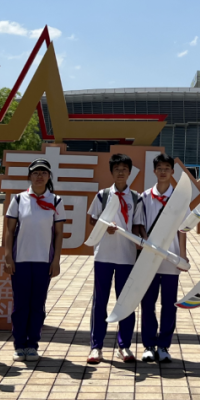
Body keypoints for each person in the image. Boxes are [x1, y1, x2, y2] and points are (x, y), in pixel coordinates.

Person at [2, 158, 65, 362]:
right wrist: (8, 257)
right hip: (20, 260)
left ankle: (33, 345)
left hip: (43, 261)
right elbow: (9, 231)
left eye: (44, 173)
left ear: (49, 177)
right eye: (36, 172)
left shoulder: (56, 200)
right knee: (20, 304)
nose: (40, 176)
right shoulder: (19, 199)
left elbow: (58, 234)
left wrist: (56, 260)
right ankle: (20, 344)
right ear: (29, 176)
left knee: (37, 305)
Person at [86, 153, 144, 364]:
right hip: (103, 255)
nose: (121, 173)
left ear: (129, 173)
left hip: (127, 257)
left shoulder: (136, 198)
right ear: (111, 172)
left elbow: (137, 225)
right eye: (117, 169)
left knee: (125, 301)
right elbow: (92, 219)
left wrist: (141, 242)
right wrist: (104, 226)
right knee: (100, 302)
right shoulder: (103, 195)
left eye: (124, 169)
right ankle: (96, 347)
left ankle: (124, 345)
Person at [139, 153, 189, 363]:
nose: (162, 172)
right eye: (159, 168)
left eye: (166, 168)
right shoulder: (144, 197)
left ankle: (164, 346)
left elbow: (183, 229)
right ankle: (149, 345)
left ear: (172, 172)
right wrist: (146, 243)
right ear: (154, 171)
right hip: (149, 259)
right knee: (147, 304)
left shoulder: (180, 198)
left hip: (170, 259)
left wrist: (182, 256)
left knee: (169, 304)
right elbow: (140, 224)